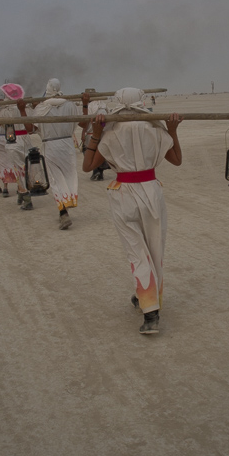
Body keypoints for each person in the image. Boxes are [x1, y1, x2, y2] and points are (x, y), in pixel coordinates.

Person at [82, 88, 183, 335]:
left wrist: (95, 135)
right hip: (152, 191)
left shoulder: (111, 131)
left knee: (136, 251)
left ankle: (150, 312)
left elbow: (87, 166)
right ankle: (148, 299)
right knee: (154, 249)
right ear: (142, 102)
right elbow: (177, 159)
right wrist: (172, 131)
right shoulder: (154, 127)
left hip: (124, 194)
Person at [19, 78, 80, 230]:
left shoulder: (41, 107)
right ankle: (68, 202)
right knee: (69, 175)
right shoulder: (70, 104)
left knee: (55, 179)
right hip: (67, 145)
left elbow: (30, 129)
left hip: (51, 145)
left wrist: (22, 110)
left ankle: (63, 211)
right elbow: (80, 123)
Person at [0, 83, 34, 210]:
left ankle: (26, 197)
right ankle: (21, 193)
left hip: (12, 141)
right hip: (27, 140)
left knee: (19, 170)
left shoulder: (4, 110)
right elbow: (31, 127)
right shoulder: (26, 107)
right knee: (27, 168)